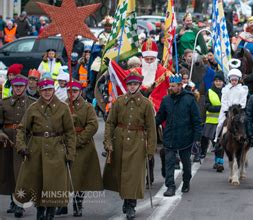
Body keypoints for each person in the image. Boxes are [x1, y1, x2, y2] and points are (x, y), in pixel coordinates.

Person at [14, 74, 76, 219]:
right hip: (36, 150)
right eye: (43, 90)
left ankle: (51, 210)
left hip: (57, 149)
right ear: (39, 91)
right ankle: (40, 208)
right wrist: (21, 146)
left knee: (54, 183)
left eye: (49, 89)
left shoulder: (63, 107)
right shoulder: (33, 108)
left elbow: (70, 133)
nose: (46, 92)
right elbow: (22, 129)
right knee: (37, 181)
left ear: (53, 90)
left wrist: (71, 153)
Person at [103, 71, 157, 219]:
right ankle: (126, 199)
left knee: (133, 175)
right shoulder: (119, 102)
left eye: (135, 84)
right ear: (126, 85)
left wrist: (150, 149)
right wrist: (107, 141)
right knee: (122, 174)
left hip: (137, 142)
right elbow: (110, 123)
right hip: (120, 141)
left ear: (139, 85)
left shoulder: (146, 104)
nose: (132, 87)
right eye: (130, 84)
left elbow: (151, 128)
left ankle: (131, 205)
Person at [55, 80, 103, 217]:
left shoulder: (87, 107)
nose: (72, 95)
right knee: (63, 176)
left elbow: (93, 125)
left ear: (80, 92)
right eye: (69, 92)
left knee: (79, 176)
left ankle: (78, 203)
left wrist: (79, 140)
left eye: (75, 91)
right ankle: (62, 205)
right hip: (64, 144)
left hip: (83, 146)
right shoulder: (61, 106)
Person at [156, 74, 201, 197]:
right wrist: (150, 125)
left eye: (173, 86)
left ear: (180, 86)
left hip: (185, 137)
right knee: (169, 162)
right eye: (170, 86)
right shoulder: (166, 100)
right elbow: (160, 117)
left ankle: (186, 181)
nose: (170, 88)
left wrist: (197, 139)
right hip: (169, 137)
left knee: (186, 164)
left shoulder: (189, 99)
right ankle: (170, 186)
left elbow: (197, 120)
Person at [0, 75, 35, 217]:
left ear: (25, 86)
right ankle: (13, 202)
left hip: (25, 140)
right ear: (12, 87)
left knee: (21, 172)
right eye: (16, 86)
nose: (18, 88)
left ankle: (20, 203)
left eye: (21, 86)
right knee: (8, 172)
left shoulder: (32, 103)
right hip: (7, 142)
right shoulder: (4, 103)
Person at [214, 68, 249, 143]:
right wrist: (226, 110)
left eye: (235, 80)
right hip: (227, 110)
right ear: (230, 80)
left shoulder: (242, 90)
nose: (234, 82)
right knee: (220, 123)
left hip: (238, 111)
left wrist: (240, 109)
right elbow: (224, 101)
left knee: (244, 121)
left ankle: (247, 137)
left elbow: (243, 101)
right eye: (232, 80)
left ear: (238, 80)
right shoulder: (225, 89)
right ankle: (217, 139)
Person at [201, 71, 225, 172]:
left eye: (220, 81)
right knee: (215, 142)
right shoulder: (210, 92)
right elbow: (207, 106)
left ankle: (219, 162)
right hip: (211, 122)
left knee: (221, 142)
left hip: (223, 121)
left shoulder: (226, 91)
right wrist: (220, 108)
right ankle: (217, 159)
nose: (218, 83)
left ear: (223, 82)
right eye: (216, 81)